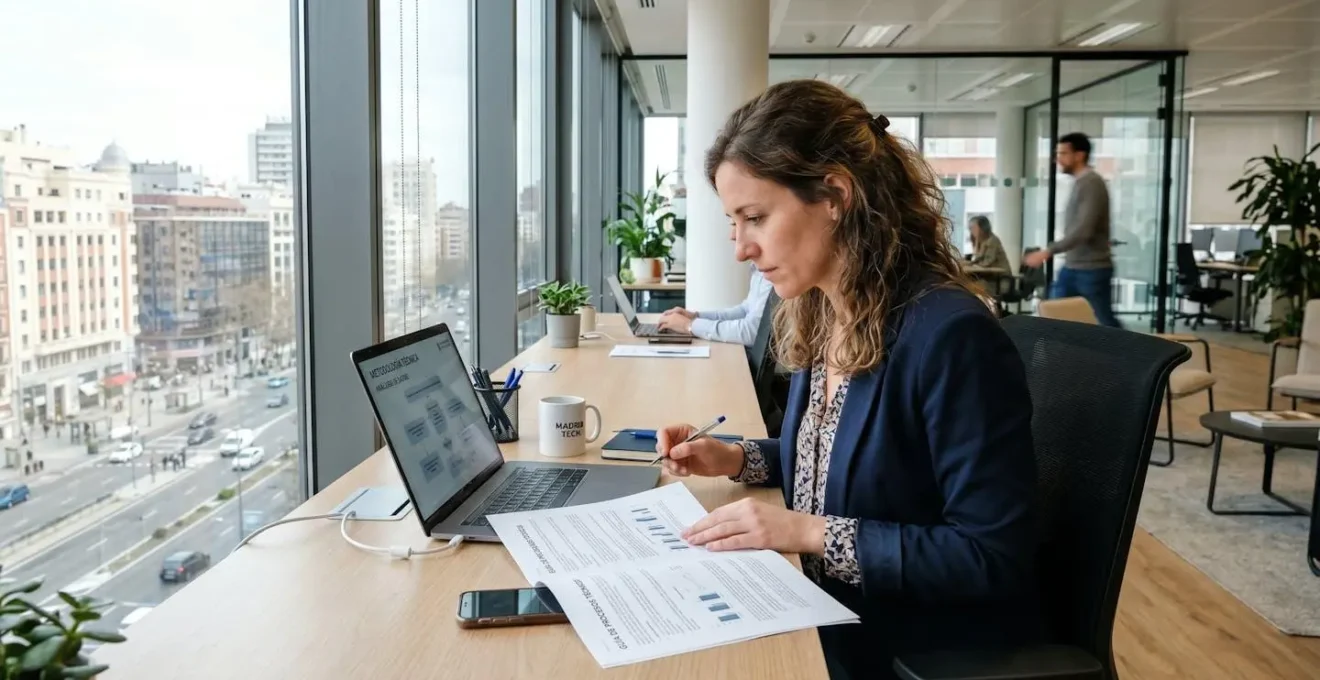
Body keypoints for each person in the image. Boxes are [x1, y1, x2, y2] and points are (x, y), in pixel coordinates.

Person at [654, 80, 1042, 680]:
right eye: (734, 223)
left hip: (895, 639)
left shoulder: (950, 335)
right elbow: (836, 463)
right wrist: (735, 459)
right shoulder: (826, 311)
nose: (741, 249)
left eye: (754, 217)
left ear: (835, 194)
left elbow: (990, 556)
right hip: (815, 605)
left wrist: (804, 531)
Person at [1023, 132, 1120, 327]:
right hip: (1073, 266)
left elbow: (1084, 230)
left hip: (1091, 269)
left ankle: (1135, 355)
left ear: (1079, 155)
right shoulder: (1081, 183)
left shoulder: (1092, 183)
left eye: (1063, 153)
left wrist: (1048, 251)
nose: (1058, 158)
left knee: (1105, 323)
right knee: (1053, 314)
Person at [656, 264, 773, 345]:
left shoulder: (773, 272)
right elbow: (744, 310)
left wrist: (689, 326)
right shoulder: (758, 269)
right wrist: (695, 316)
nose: (732, 235)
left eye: (735, 226)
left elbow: (752, 332)